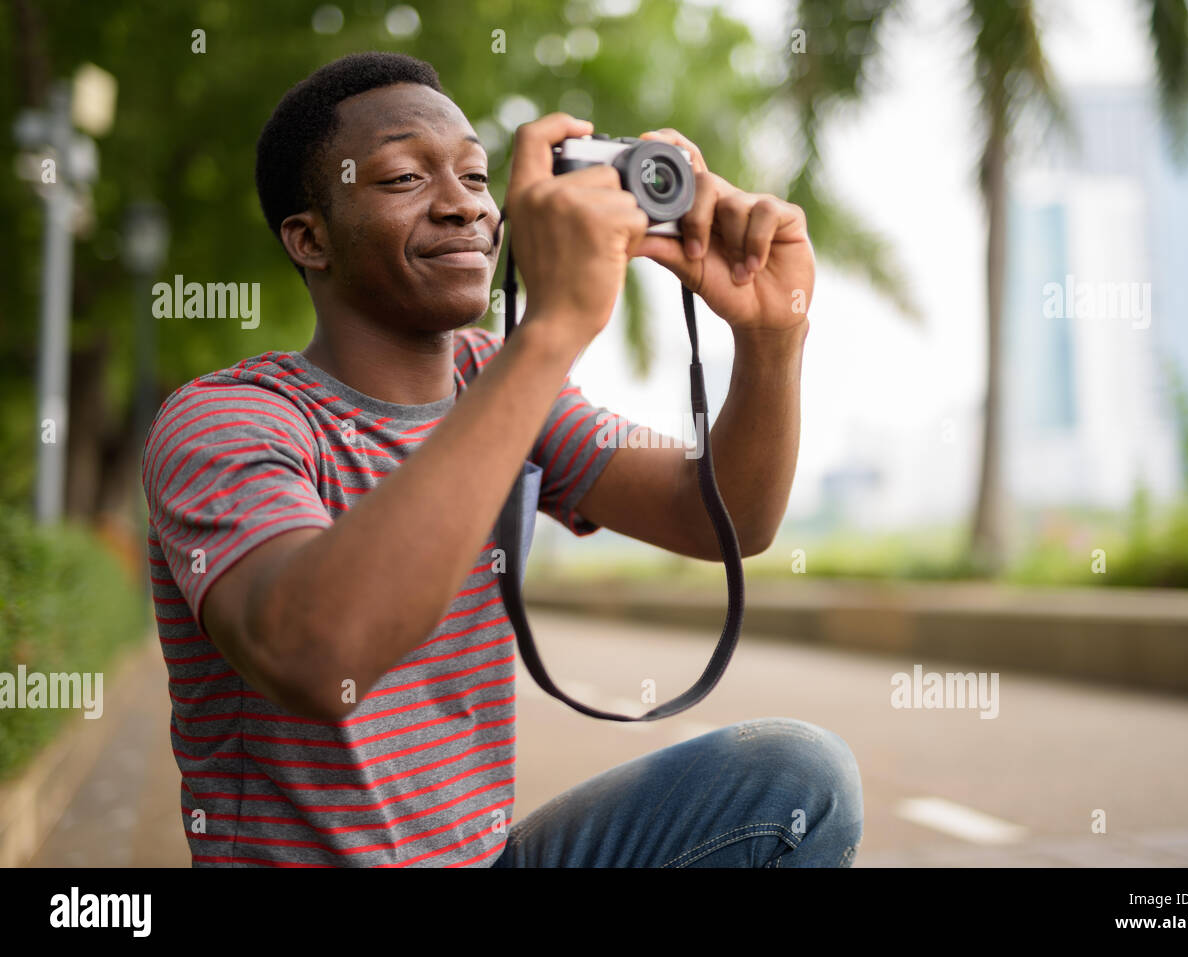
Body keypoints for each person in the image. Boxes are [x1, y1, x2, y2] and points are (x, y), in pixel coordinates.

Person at [142, 51, 862, 868]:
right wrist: (552, 332)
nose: (462, 208)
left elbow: (724, 517)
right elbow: (310, 650)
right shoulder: (227, 419)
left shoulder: (499, 379)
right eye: (404, 179)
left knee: (797, 777)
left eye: (478, 178)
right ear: (310, 239)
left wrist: (771, 338)